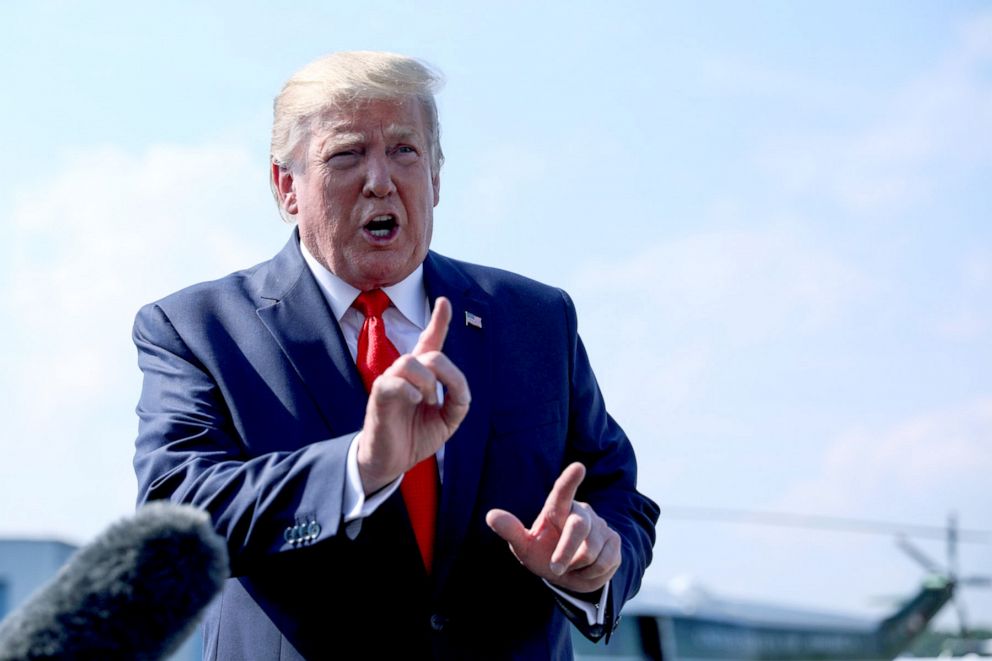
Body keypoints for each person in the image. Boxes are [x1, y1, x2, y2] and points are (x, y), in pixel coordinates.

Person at [133, 51, 659, 660]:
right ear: (287, 188)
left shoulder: (535, 319)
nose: (380, 180)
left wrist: (594, 563)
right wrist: (359, 467)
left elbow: (617, 494)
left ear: (436, 176)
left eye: (405, 151)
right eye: (347, 154)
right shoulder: (197, 330)